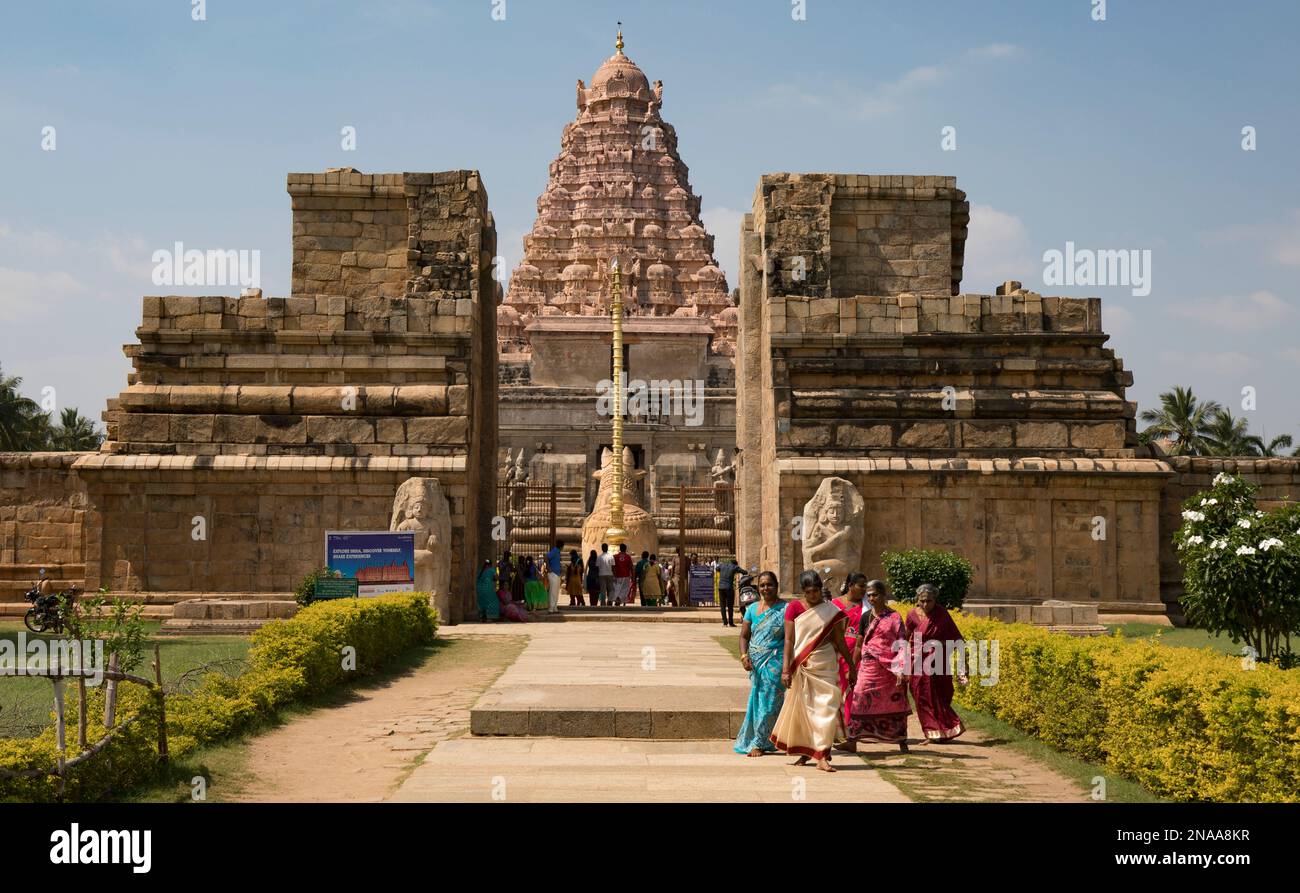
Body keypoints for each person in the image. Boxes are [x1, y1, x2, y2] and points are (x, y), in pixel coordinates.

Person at [769, 570, 856, 772]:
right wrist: (785, 670)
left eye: (816, 591)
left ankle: (822, 754)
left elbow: (839, 640)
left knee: (826, 707)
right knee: (805, 711)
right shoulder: (794, 608)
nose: (814, 595)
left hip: (825, 663)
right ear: (803, 591)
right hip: (803, 664)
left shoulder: (830, 610)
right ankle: (808, 751)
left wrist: (851, 665)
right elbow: (789, 640)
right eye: (809, 592)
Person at [847, 580, 911, 753]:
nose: (872, 598)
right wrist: (853, 668)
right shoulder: (865, 617)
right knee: (859, 699)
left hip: (890, 669)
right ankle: (852, 740)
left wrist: (901, 669)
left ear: (884, 595)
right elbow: (860, 645)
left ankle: (901, 741)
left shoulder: (895, 617)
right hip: (868, 667)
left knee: (895, 703)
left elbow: (902, 643)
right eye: (869, 595)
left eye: (875, 594)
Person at [905, 583, 967, 743]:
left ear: (935, 600)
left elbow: (957, 638)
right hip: (917, 662)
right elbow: (905, 638)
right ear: (917, 599)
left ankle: (943, 729)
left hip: (938, 661)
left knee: (941, 695)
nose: (925, 604)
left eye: (929, 601)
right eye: (922, 601)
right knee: (921, 696)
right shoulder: (912, 615)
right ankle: (932, 732)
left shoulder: (942, 614)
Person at [733, 571, 786, 756]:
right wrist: (743, 656)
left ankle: (758, 743)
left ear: (777, 585)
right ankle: (768, 739)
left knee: (770, 702)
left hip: (776, 661)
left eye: (769, 584)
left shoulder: (786, 608)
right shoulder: (752, 609)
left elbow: (791, 639)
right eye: (762, 585)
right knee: (758, 701)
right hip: (756, 663)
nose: (766, 588)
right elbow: (744, 635)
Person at [832, 573, 868, 735]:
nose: (864, 590)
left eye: (865, 586)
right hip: (838, 655)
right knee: (839, 693)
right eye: (861, 585)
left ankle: (854, 729)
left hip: (860, 656)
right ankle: (843, 730)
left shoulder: (867, 607)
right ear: (850, 585)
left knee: (856, 692)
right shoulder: (835, 605)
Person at [716, 555, 741, 627]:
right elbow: (743, 571)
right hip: (729, 588)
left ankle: (724, 623)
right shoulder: (734, 566)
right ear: (735, 563)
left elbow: (717, 568)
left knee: (722, 606)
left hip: (721, 588)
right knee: (730, 606)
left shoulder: (722, 565)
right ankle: (731, 622)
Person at [545, 539, 564, 615]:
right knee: (553, 591)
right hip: (553, 573)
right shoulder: (555, 551)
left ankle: (554, 607)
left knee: (555, 592)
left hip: (557, 574)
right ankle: (551, 608)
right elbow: (546, 557)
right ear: (561, 546)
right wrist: (548, 568)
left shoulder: (557, 552)